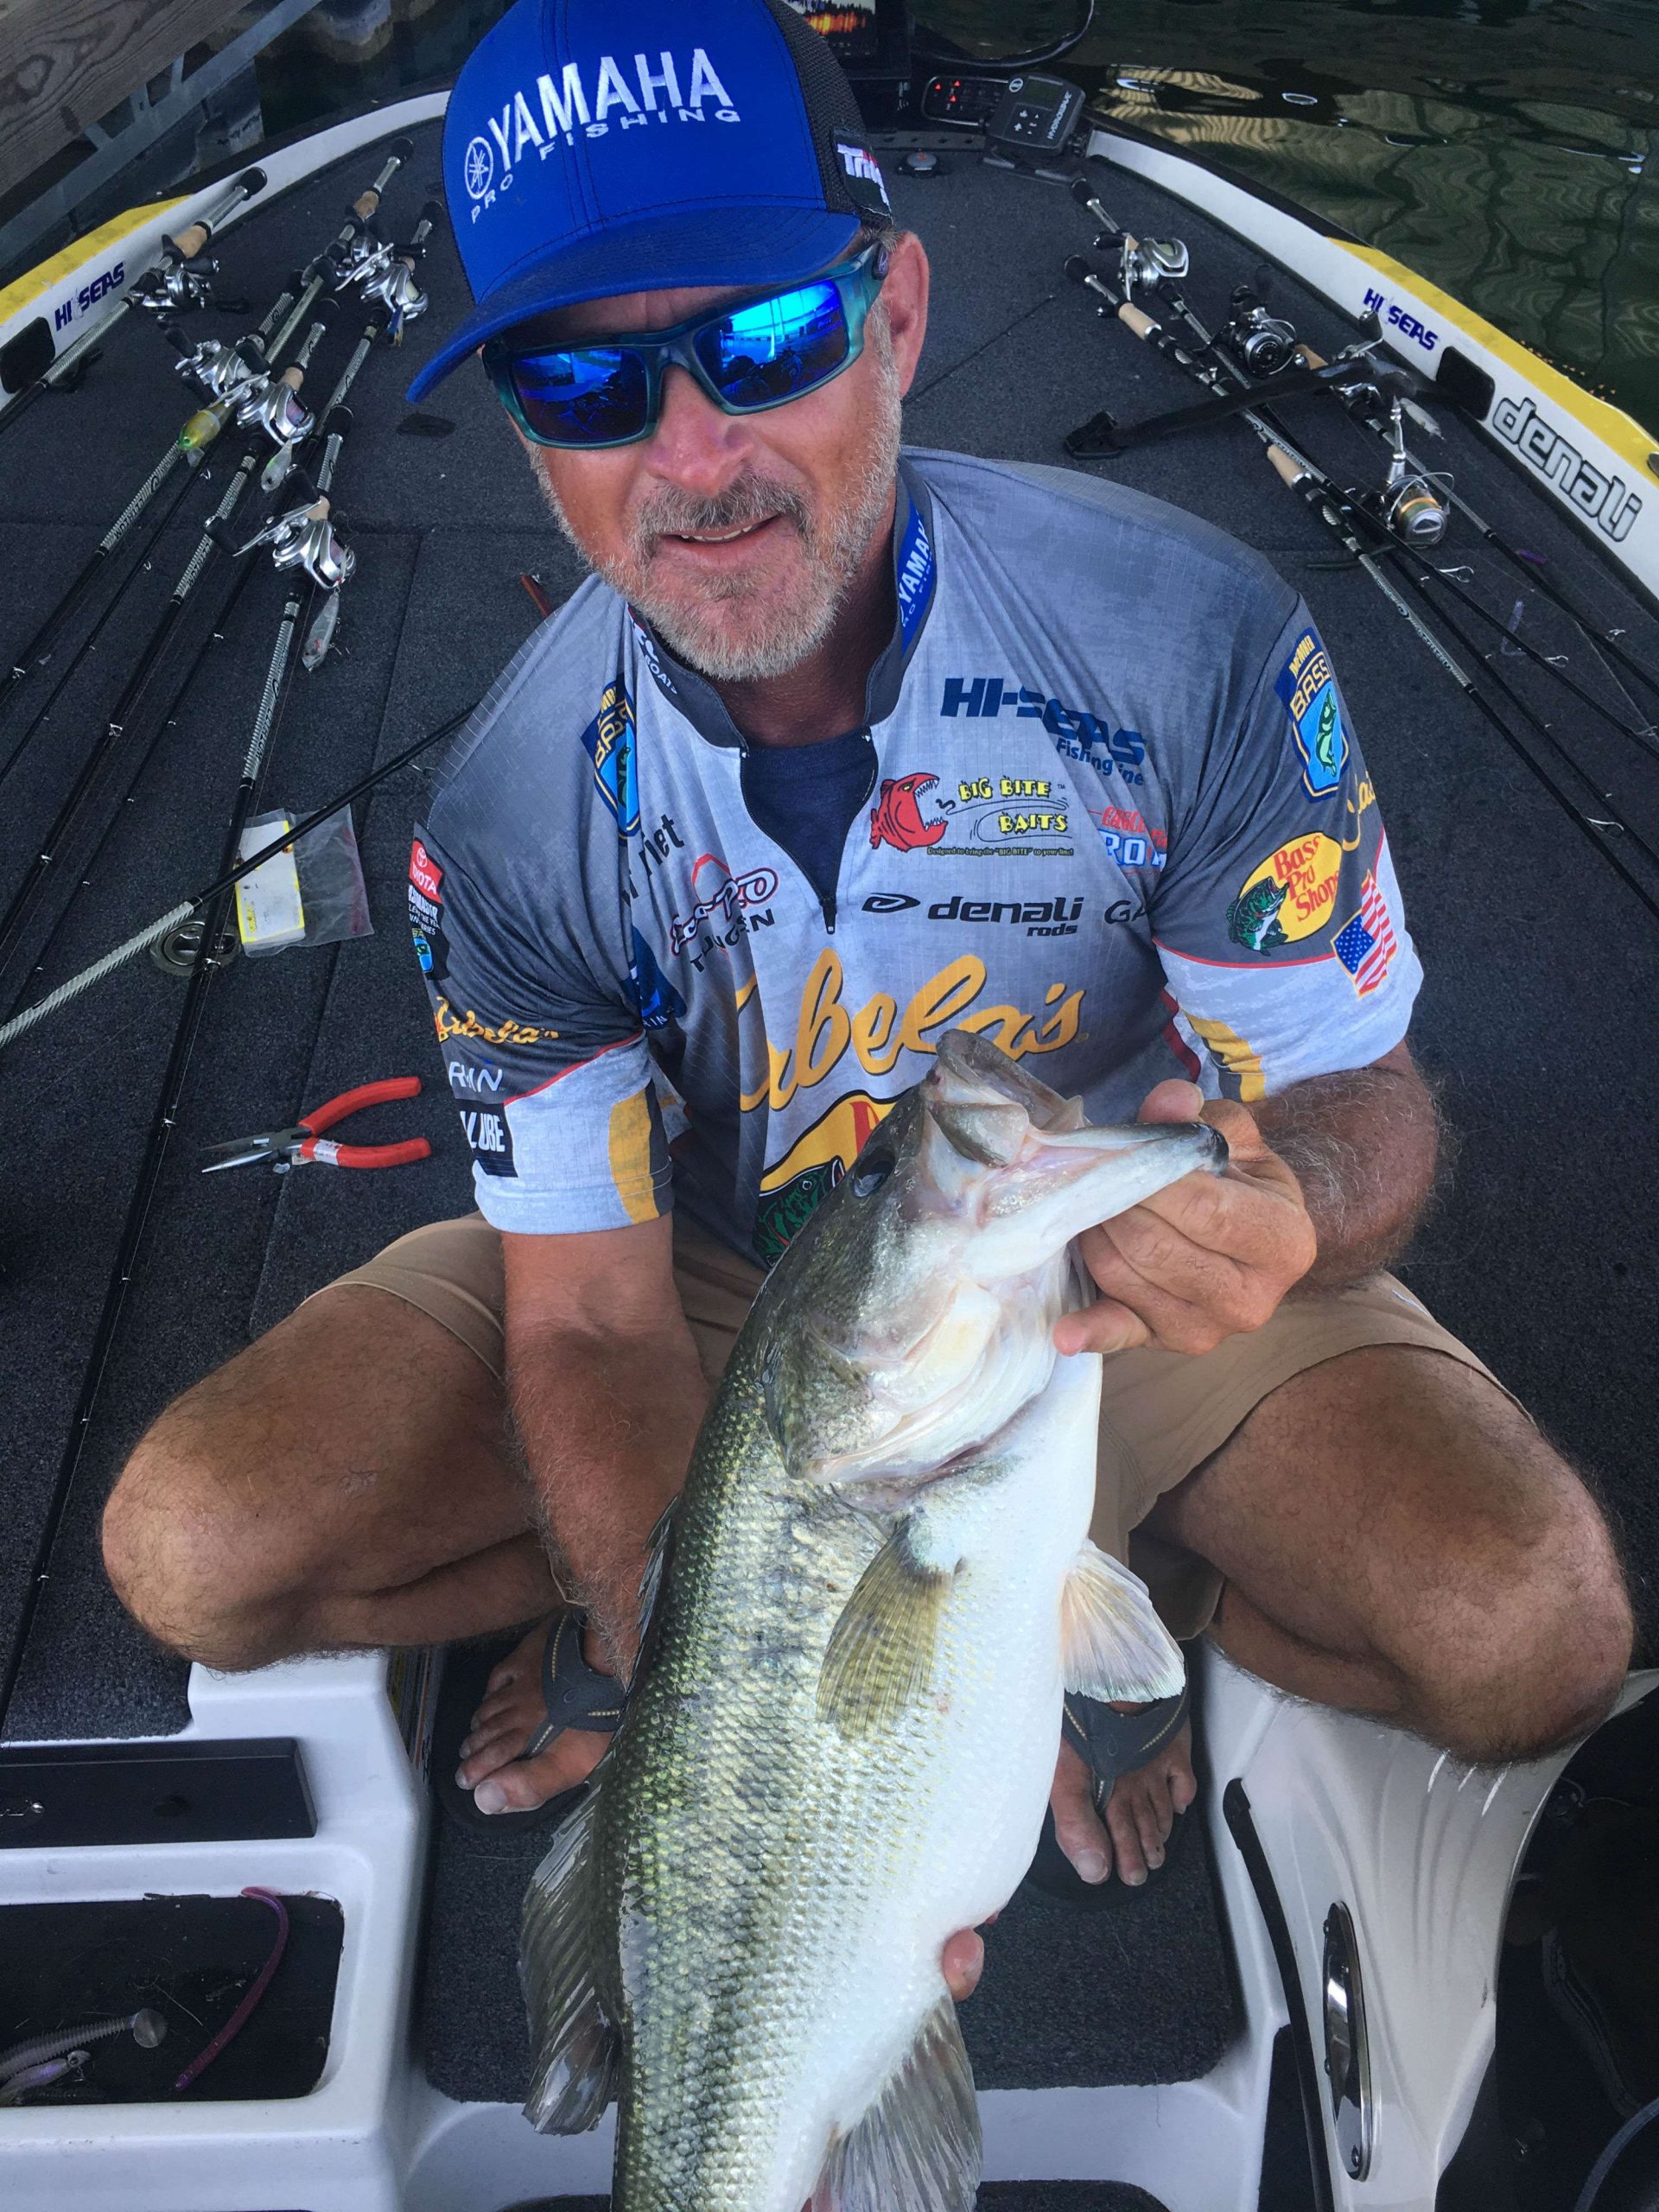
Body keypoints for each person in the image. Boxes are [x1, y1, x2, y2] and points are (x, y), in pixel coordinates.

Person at [102, 0, 1630, 2002]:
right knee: (192, 1550)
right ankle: (817, 1609)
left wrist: (1292, 1211)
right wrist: (708, 1669)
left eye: (762, 341)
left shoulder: (1187, 635)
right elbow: (585, 1304)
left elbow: (1357, 1099)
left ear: (896, 313)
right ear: (531, 437)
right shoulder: (501, 809)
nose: (695, 454)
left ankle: (1114, 1579)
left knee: (1535, 1636)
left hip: (1118, 1256)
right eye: (586, 380)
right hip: (714, 1273)